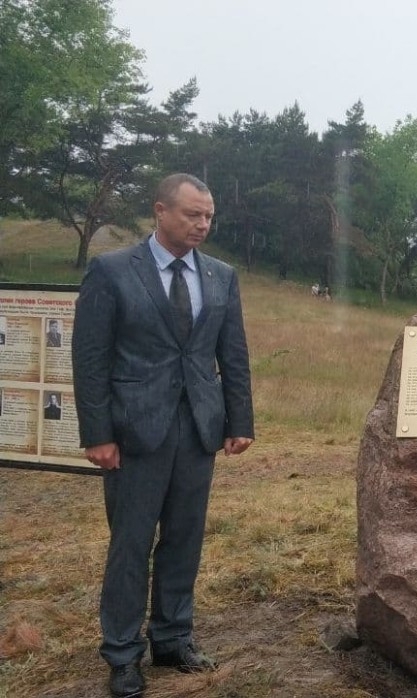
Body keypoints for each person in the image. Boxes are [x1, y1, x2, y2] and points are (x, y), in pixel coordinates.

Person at [73, 173, 255, 698]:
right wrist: (98, 433)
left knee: (184, 539)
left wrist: (239, 421)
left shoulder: (221, 275)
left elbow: (233, 354)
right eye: (192, 214)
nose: (202, 224)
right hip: (133, 432)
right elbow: (90, 360)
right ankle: (123, 653)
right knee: (130, 545)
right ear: (160, 211)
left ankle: (173, 638)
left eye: (209, 216)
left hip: (199, 428)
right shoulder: (111, 271)